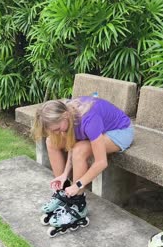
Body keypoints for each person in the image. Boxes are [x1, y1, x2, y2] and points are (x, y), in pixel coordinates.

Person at [32, 95, 134, 235]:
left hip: (120, 131)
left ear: (65, 115)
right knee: (51, 141)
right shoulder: (67, 116)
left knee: (81, 150)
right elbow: (71, 145)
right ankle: (63, 192)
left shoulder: (89, 119)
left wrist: (78, 185)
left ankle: (77, 204)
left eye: (57, 128)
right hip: (98, 130)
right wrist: (64, 175)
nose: (58, 132)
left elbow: (101, 162)